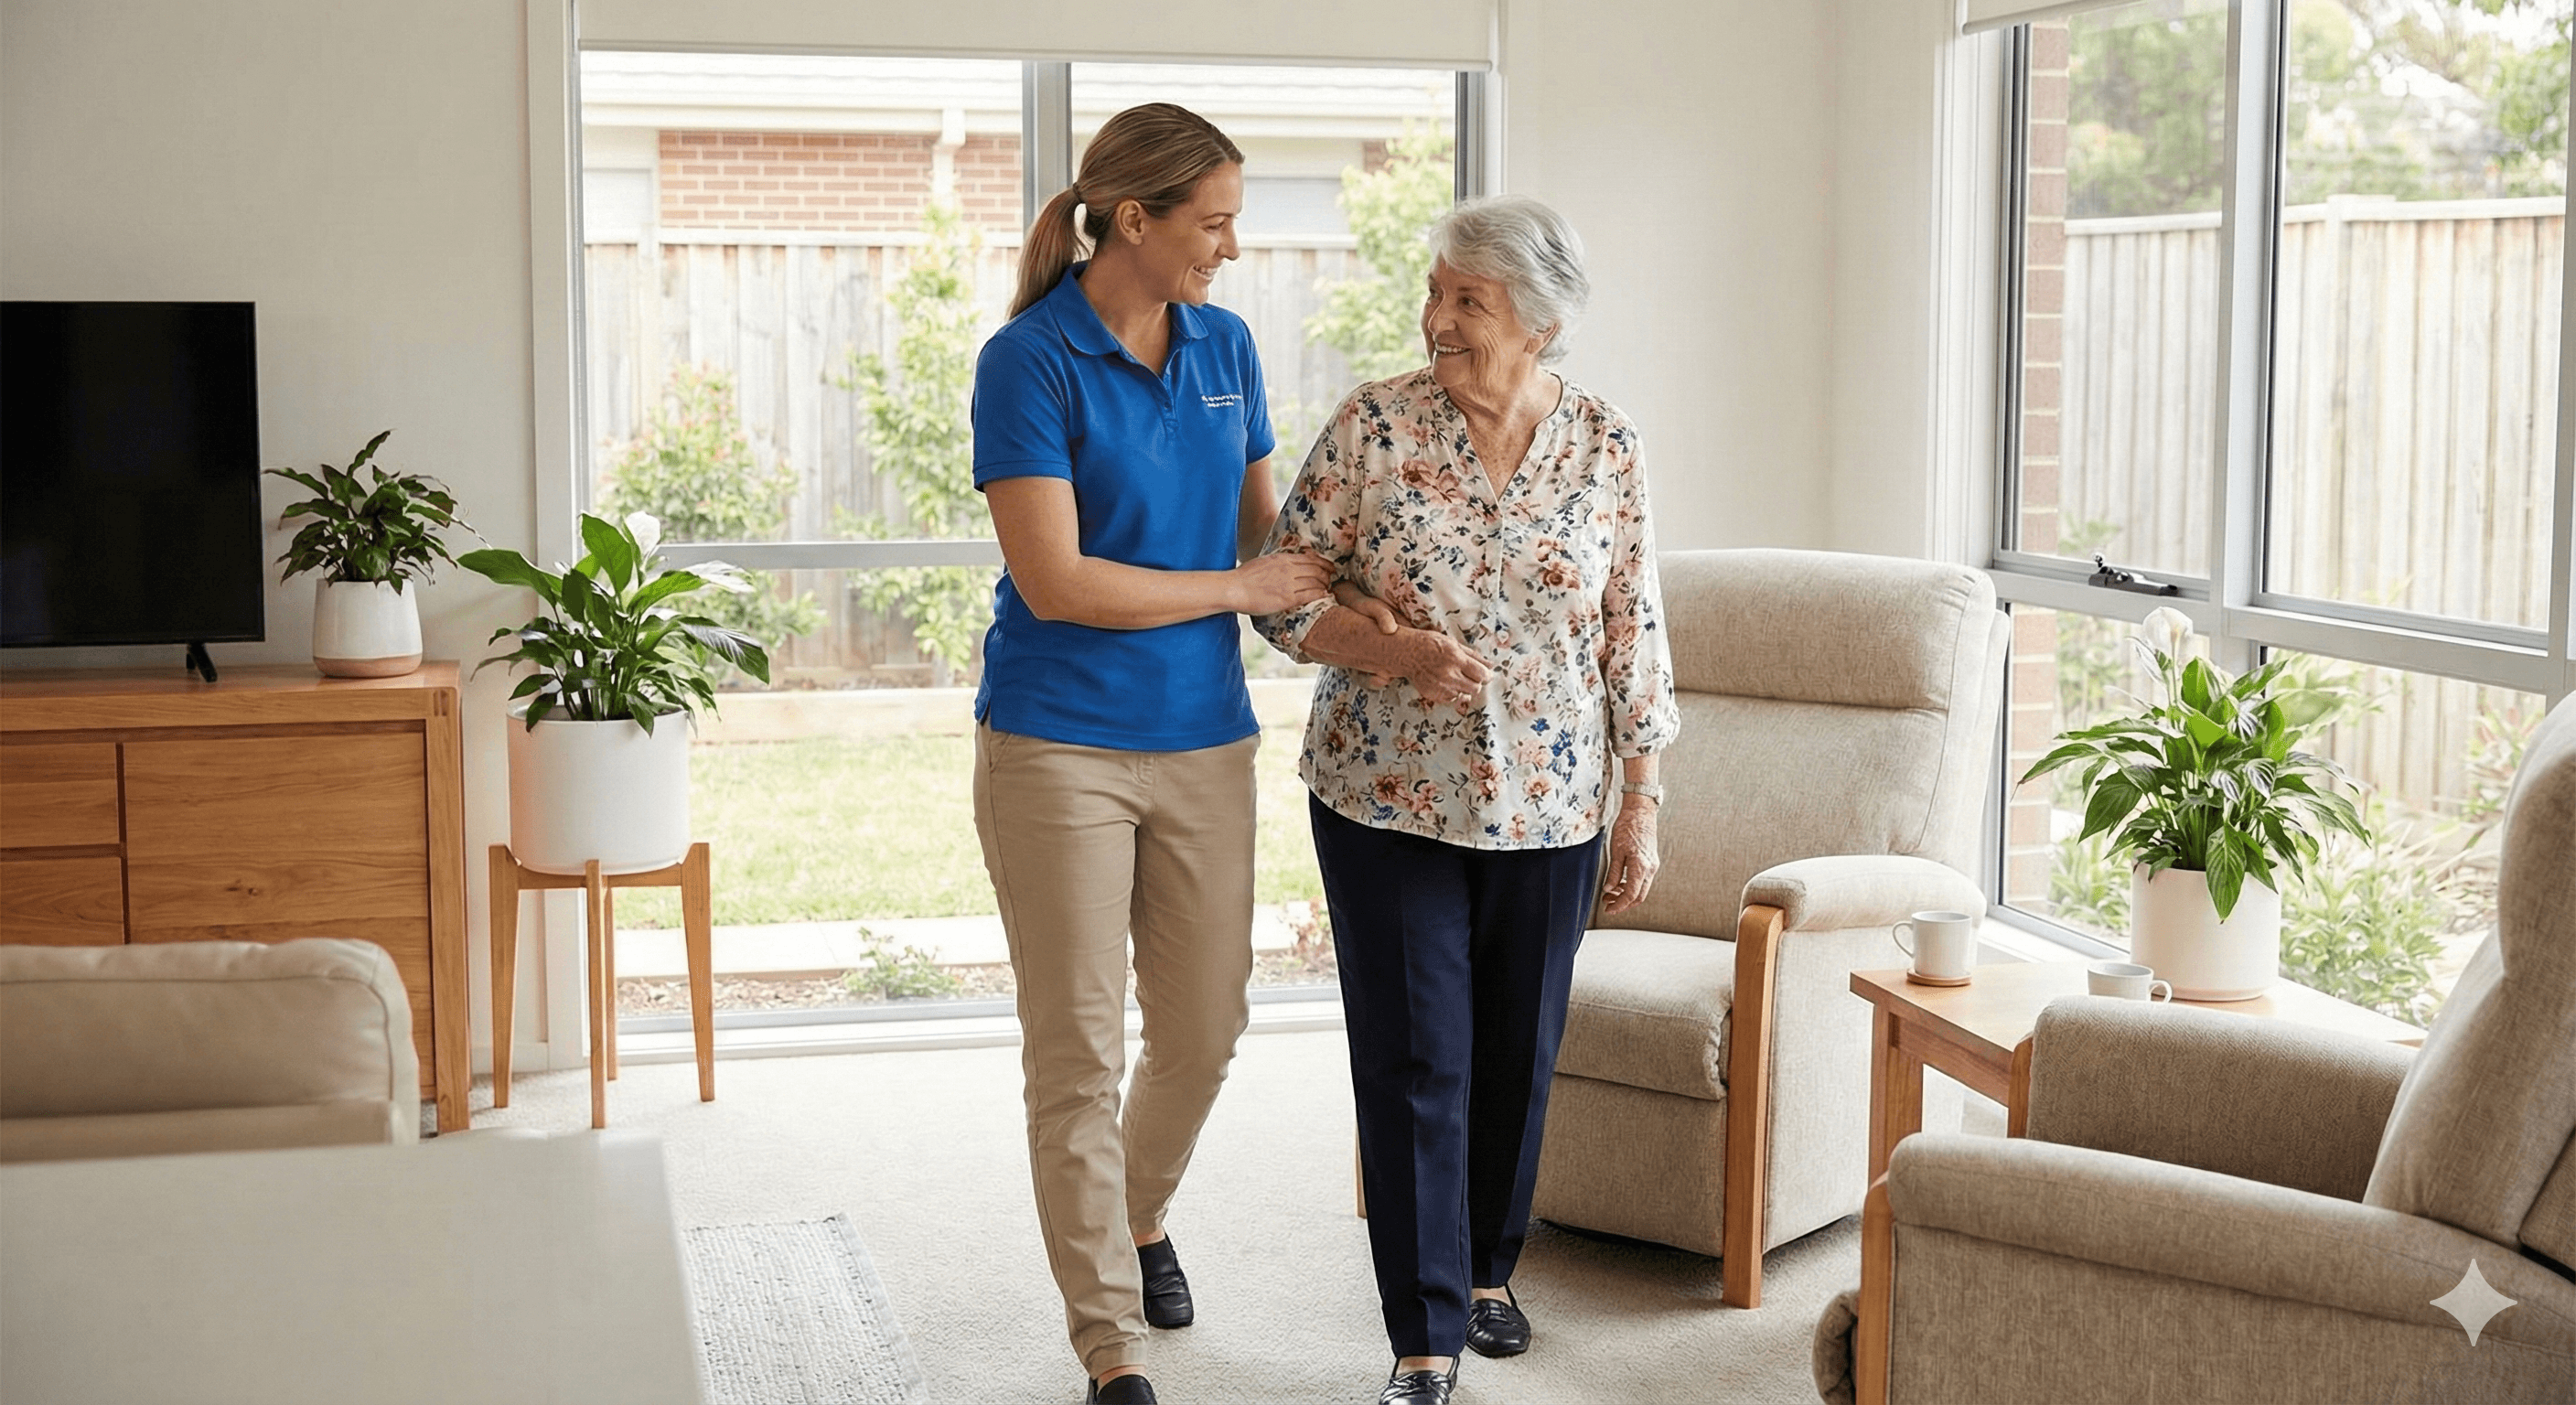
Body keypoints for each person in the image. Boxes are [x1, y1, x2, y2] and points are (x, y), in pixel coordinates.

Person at [1254, 195, 1679, 1405]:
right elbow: (1283, 592)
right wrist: (1391, 650)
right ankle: (1424, 1334)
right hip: (1387, 797)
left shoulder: (1605, 444)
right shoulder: (1374, 426)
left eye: (1468, 302)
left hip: (1552, 802)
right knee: (1414, 1058)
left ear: (1538, 322)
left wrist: (1642, 796)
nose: (1436, 318)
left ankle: (1489, 1270)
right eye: (1435, 292)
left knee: (1515, 1053)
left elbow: (1632, 624)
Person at [970, 102, 1330, 1405]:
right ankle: (1109, 1346)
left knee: (1205, 1027)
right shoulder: (1028, 360)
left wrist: (1379, 597)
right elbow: (1057, 581)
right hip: (1056, 743)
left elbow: (1268, 547)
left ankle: (1135, 1211)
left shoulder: (1227, 347)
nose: (1230, 248)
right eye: (1214, 223)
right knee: (1078, 1051)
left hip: (1203, 740)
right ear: (1136, 219)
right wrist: (1238, 589)